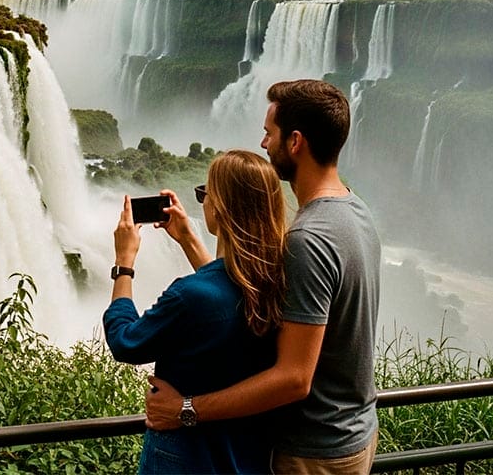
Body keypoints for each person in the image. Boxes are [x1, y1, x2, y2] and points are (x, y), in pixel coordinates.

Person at [145, 79, 382, 474]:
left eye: (270, 133)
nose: (263, 143)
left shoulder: (307, 241)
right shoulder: (355, 210)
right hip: (353, 433)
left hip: (312, 453)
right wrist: (188, 239)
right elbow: (245, 296)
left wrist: (185, 410)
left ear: (295, 142)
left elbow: (294, 379)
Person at [103, 149, 287, 474]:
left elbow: (125, 342)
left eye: (205, 193)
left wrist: (124, 263)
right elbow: (226, 289)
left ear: (221, 207)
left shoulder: (189, 296)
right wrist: (188, 238)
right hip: (247, 459)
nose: (203, 201)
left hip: (186, 459)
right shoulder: (278, 282)